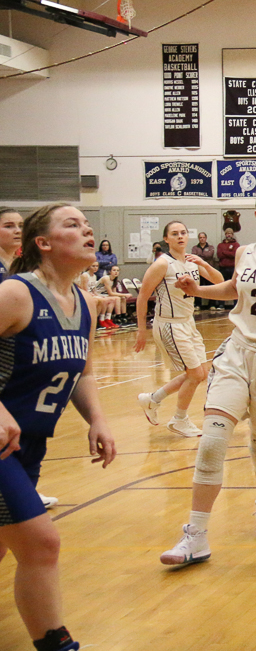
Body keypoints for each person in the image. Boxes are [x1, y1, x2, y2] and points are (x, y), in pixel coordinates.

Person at [160, 187, 256, 565]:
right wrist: (198, 288)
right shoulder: (245, 252)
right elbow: (233, 289)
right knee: (212, 442)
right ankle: (196, 535)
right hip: (236, 354)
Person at [0, 203, 117, 651]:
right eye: (73, 224)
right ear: (43, 243)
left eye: (87, 224)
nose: (87, 230)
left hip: (30, 443)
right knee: (41, 544)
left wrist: (98, 419)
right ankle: (58, 645)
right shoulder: (16, 293)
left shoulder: (84, 301)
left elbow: (82, 371)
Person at [134, 221, 224, 438]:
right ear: (167, 239)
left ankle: (152, 399)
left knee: (200, 373)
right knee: (195, 374)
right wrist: (141, 330)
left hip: (188, 322)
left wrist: (204, 263)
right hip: (169, 324)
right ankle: (179, 419)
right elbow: (142, 297)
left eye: (183, 232)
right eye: (175, 234)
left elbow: (220, 281)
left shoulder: (192, 262)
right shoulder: (162, 264)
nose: (180, 236)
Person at [0, 208, 58, 512]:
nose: (16, 230)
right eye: (8, 225)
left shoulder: (17, 267)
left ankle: (23, 490)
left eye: (20, 225)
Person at [78, 262, 120, 330]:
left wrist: (97, 295)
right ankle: (96, 320)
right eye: (93, 266)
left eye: (97, 266)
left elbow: (93, 289)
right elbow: (84, 289)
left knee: (109, 300)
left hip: (92, 294)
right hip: (85, 294)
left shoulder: (94, 276)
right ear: (89, 266)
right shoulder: (85, 275)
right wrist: (94, 295)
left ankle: (103, 319)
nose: (95, 268)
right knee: (103, 300)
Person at [191, 231, 217, 311]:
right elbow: (194, 256)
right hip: (199, 270)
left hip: (209, 270)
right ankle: (197, 304)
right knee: (198, 287)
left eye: (203, 237)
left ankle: (212, 305)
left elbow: (209, 255)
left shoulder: (211, 247)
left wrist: (199, 257)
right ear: (198, 239)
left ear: (206, 238)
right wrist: (203, 256)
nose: (202, 239)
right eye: (200, 237)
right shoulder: (195, 247)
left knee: (211, 287)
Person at [216, 228, 239, 310]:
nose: (228, 235)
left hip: (233, 268)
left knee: (235, 286)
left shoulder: (236, 244)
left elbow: (235, 254)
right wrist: (229, 252)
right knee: (222, 286)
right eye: (227, 233)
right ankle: (221, 305)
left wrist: (225, 252)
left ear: (232, 235)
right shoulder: (220, 245)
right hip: (223, 268)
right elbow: (219, 255)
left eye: (230, 233)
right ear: (225, 234)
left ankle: (236, 305)